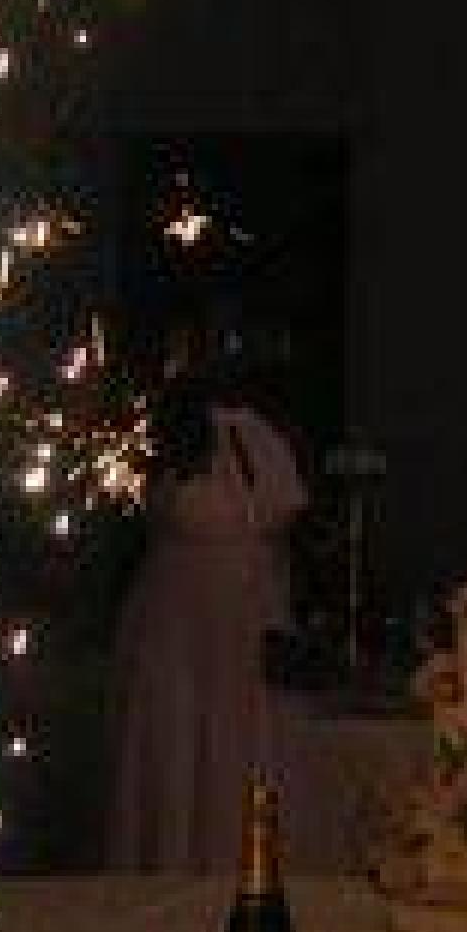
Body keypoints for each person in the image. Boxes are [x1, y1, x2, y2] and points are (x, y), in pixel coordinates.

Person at [107, 331, 309, 873]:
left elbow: (277, 517)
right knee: (183, 731)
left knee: (224, 731)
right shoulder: (176, 443)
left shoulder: (248, 439)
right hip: (184, 612)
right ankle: (176, 856)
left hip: (230, 610)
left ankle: (225, 854)